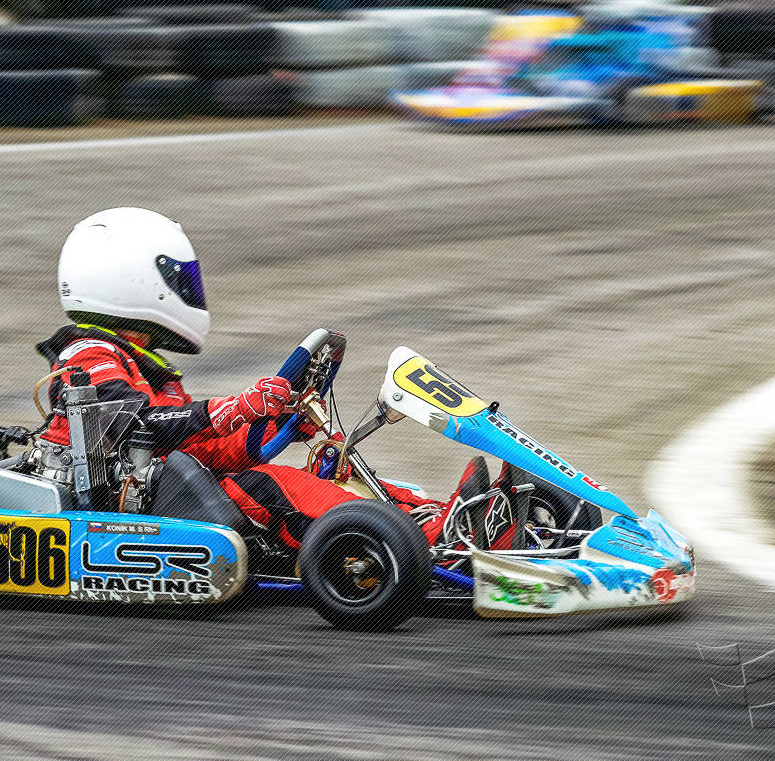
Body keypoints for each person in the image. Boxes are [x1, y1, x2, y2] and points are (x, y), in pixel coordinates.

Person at [37, 207, 514, 550]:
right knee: (273, 486)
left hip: (168, 489)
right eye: (179, 278)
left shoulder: (143, 364)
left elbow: (198, 450)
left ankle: (454, 522)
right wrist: (232, 408)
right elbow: (138, 425)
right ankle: (419, 541)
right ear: (129, 280)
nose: (189, 289)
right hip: (128, 508)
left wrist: (272, 424)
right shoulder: (89, 355)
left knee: (337, 471)